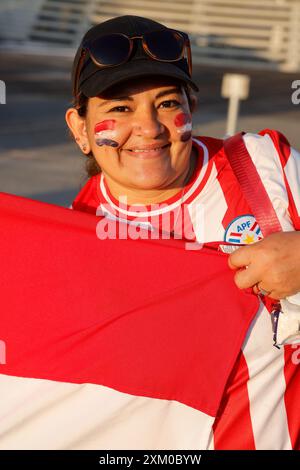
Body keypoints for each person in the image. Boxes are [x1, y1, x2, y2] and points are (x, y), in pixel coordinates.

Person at [64, 15, 299, 449]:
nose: (150, 128)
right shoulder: (68, 242)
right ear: (80, 128)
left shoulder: (265, 169)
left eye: (168, 103)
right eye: (119, 108)